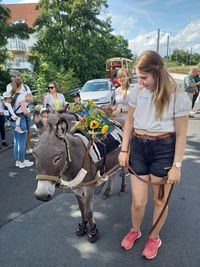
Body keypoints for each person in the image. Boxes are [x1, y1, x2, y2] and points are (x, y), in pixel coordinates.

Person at [118, 50, 191, 260]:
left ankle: (154, 237)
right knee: (138, 201)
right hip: (139, 147)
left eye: (144, 77)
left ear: (157, 73)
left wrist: (177, 166)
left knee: (159, 201)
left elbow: (181, 135)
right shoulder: (136, 91)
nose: (140, 82)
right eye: (139, 77)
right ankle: (135, 230)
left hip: (164, 150)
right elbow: (129, 122)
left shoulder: (177, 94)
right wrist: (124, 149)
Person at [6, 69, 34, 154]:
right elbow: (8, 99)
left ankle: (28, 147)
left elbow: (31, 99)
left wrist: (19, 97)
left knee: (28, 130)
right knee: (19, 133)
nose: (12, 78)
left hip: (26, 110)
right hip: (17, 113)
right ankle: (20, 155)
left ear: (19, 77)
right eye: (11, 76)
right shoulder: (9, 86)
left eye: (14, 76)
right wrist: (23, 97)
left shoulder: (25, 87)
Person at [9, 80, 34, 168]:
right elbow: (25, 112)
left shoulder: (11, 95)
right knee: (22, 142)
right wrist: (27, 113)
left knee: (16, 142)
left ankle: (18, 161)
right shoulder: (20, 97)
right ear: (20, 86)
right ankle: (22, 161)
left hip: (13, 120)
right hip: (21, 119)